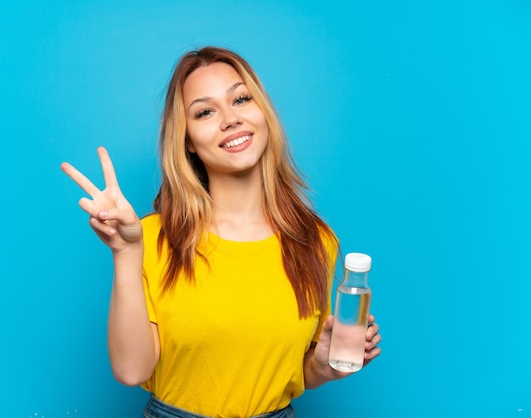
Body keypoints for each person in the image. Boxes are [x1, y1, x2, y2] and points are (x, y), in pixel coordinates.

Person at [61, 46, 381, 418]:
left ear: (263, 112)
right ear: (188, 142)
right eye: (205, 111)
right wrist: (125, 252)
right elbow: (132, 370)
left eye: (241, 99)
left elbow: (293, 370)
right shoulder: (151, 238)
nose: (230, 119)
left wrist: (322, 367)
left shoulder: (315, 241)